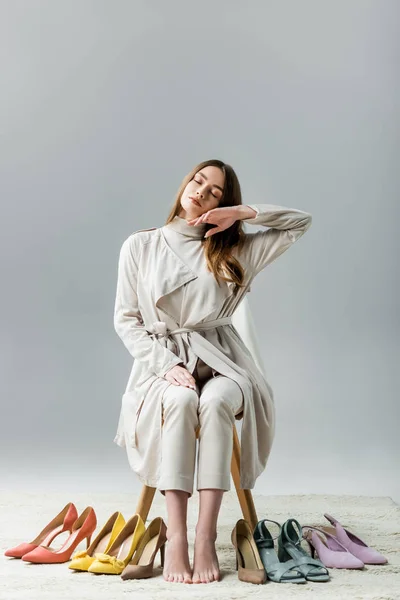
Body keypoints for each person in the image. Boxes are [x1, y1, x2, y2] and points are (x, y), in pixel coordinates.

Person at [113, 158, 312, 584]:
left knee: (218, 400)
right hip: (164, 364)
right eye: (198, 180)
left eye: (216, 191)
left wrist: (241, 215)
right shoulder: (140, 245)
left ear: (224, 203)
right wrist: (166, 366)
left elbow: (299, 223)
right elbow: (126, 320)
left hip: (225, 360)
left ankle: (206, 537)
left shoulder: (236, 248)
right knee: (183, 400)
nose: (202, 191)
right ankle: (178, 538)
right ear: (185, 183)